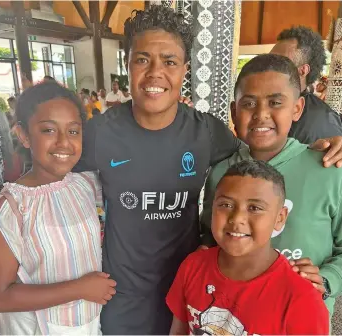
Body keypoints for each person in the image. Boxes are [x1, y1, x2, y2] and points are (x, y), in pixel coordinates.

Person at [74, 5, 342, 334]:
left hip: (200, 298)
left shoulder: (207, 132)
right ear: (127, 66)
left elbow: (261, 150)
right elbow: (52, 178)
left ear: (184, 70)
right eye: (142, 59)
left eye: (169, 61)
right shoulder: (99, 133)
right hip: (124, 298)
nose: (155, 72)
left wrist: (325, 145)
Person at [201, 54, 342, 322]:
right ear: (234, 111)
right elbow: (211, 238)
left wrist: (327, 279)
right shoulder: (220, 173)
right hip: (232, 321)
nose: (261, 114)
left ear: (297, 109)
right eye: (249, 103)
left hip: (300, 321)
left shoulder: (329, 169)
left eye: (275, 103)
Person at [0, 82, 116, 335]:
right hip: (37, 329)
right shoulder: (13, 206)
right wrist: (80, 289)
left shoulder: (85, 185)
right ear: (23, 135)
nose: (64, 142)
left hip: (86, 324)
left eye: (73, 132)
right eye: (49, 130)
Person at [167, 160, 329, 335]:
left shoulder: (300, 297)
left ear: (280, 218)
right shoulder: (193, 266)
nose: (237, 218)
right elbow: (178, 331)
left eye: (254, 208)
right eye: (226, 205)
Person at [271, 26, 342, 144]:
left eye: (278, 62)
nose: (267, 67)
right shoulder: (274, 103)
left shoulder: (314, 121)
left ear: (302, 71)